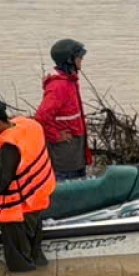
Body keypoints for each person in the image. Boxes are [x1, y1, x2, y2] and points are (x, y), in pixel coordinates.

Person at [0, 98, 55, 272]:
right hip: (34, 205)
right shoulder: (29, 127)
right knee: (35, 255)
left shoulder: (9, 147)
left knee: (20, 263)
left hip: (16, 211)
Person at [36, 39, 91, 181]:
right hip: (65, 156)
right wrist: (56, 136)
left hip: (75, 151)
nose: (82, 59)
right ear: (69, 60)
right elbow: (42, 117)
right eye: (79, 56)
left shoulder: (69, 81)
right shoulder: (59, 86)